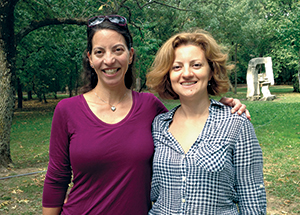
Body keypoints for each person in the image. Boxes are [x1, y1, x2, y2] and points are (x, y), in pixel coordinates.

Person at [42, 15, 250, 214]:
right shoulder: (67, 110)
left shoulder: (150, 107)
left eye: (118, 50)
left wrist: (220, 108)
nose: (109, 59)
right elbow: (57, 178)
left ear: (130, 55)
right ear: (90, 58)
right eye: (99, 52)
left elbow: (189, 122)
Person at [146, 30, 266, 214]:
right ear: (168, 75)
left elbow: (252, 198)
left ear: (211, 72)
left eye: (196, 65)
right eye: (177, 67)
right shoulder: (158, 125)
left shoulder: (236, 123)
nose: (186, 73)